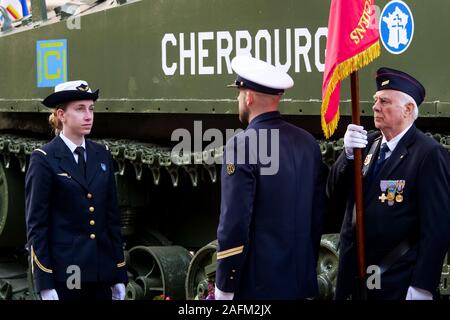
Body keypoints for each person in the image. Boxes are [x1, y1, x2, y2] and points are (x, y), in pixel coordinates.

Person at [327, 67, 450, 300]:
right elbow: (334, 196)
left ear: (408, 109)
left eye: (384, 101)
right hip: (354, 277)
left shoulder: (427, 154)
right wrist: (347, 156)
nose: (375, 107)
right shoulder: (368, 144)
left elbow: (437, 228)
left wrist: (422, 286)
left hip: (396, 279)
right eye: (376, 100)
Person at [214, 56, 326, 300]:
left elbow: (234, 224)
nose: (238, 100)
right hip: (301, 284)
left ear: (249, 97)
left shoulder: (242, 145)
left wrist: (225, 285)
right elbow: (316, 217)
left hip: (258, 290)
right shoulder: (308, 144)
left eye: (239, 93)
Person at [25, 80, 128, 300]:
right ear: (61, 115)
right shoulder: (44, 159)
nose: (88, 115)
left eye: (91, 109)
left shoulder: (102, 155)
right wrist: (44, 282)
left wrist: (119, 273)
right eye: (80, 109)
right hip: (67, 276)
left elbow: (112, 220)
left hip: (102, 274)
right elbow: (37, 226)